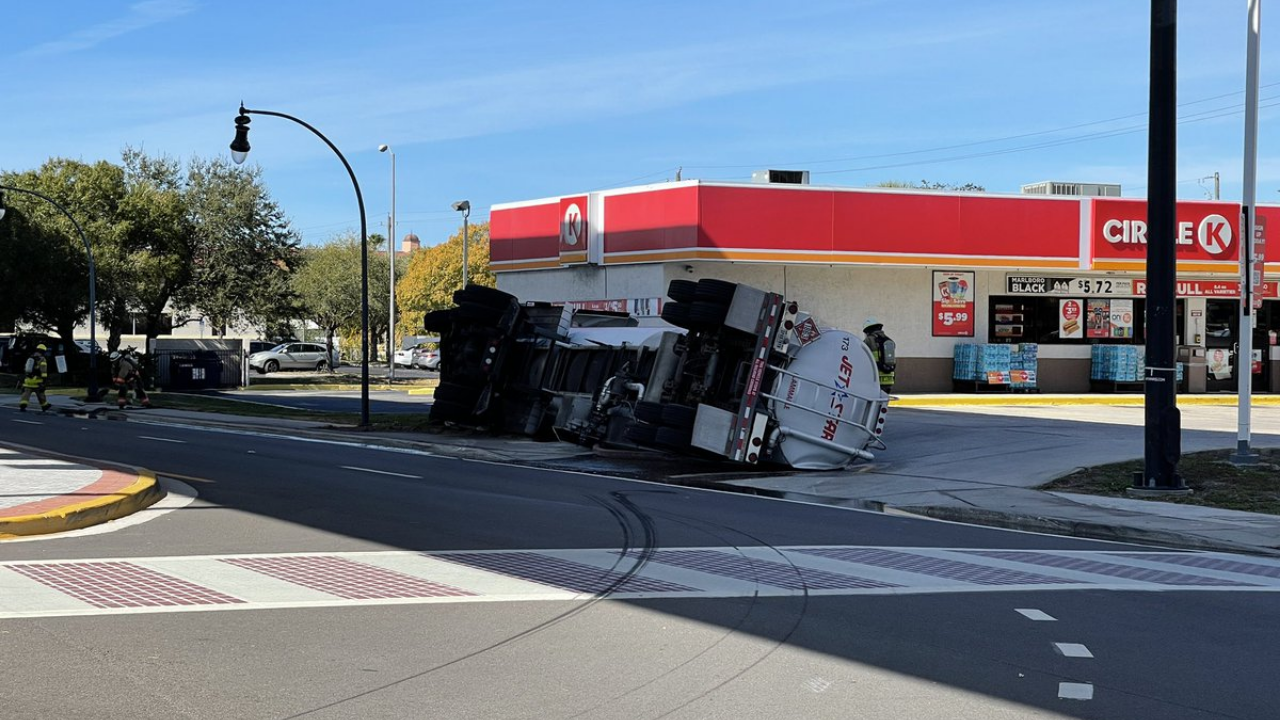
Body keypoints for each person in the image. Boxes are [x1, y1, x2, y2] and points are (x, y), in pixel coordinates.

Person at [863, 319, 896, 394]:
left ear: (868, 330)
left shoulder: (869, 340)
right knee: (884, 403)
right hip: (889, 378)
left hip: (876, 379)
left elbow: (861, 355)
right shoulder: (888, 340)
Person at [18, 344, 53, 413]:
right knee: (41, 394)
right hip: (37, 381)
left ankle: (23, 405)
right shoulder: (42, 359)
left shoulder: (31, 357)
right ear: (43, 351)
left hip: (28, 380)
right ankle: (44, 406)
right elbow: (43, 371)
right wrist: (44, 380)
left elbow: (26, 369)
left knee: (26, 394)